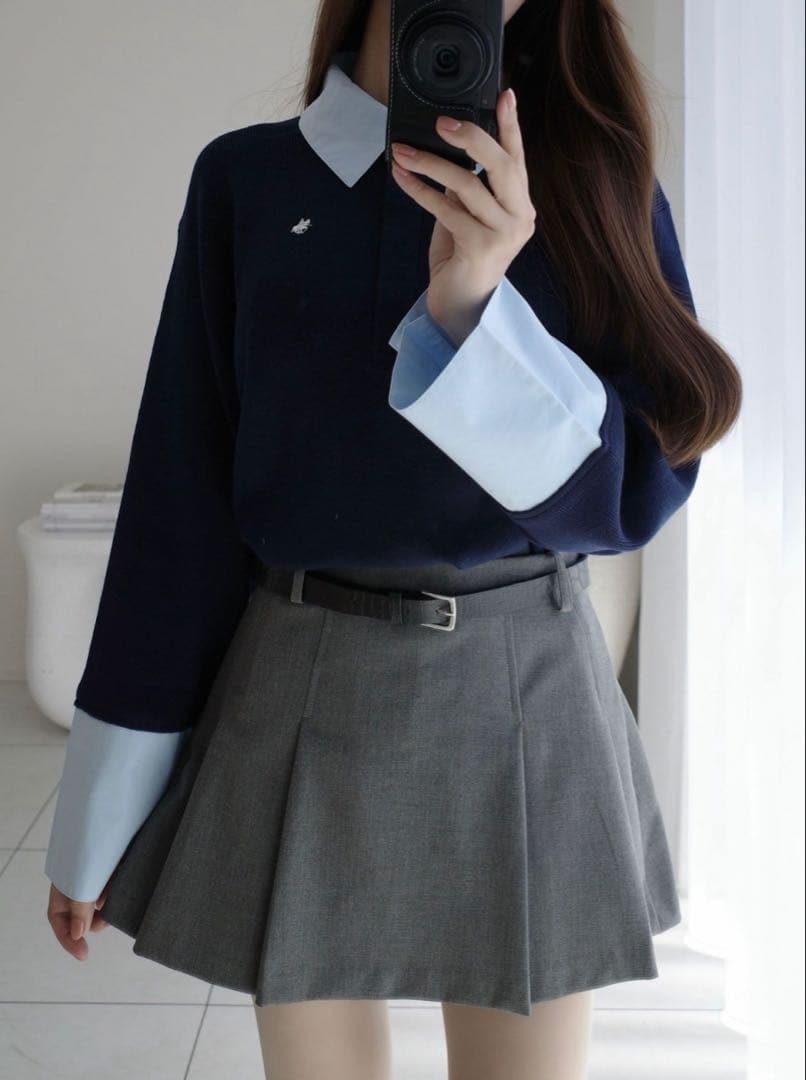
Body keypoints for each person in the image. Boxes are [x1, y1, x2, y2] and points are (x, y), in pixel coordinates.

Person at [43, 1, 742, 1077]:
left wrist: (475, 307)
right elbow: (179, 507)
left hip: (530, 687)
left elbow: (634, 495)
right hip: (300, 679)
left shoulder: (592, 181)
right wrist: (101, 810)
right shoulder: (247, 181)